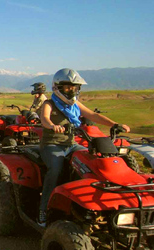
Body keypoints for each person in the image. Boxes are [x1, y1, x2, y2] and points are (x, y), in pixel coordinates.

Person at [38, 68, 130, 226]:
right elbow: (44, 118)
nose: (71, 91)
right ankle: (43, 210)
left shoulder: (74, 104)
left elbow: (93, 115)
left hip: (72, 145)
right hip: (52, 144)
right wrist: (52, 126)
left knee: (94, 162)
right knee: (55, 170)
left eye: (75, 87)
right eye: (68, 87)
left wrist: (114, 124)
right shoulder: (49, 103)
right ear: (57, 88)